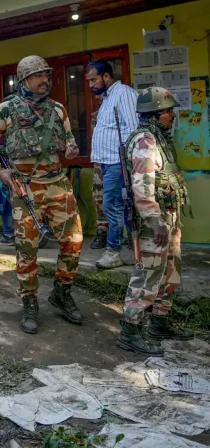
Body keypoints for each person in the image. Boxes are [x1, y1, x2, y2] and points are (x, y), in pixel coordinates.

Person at [0, 55, 83, 334]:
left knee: (73, 240)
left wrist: (71, 149)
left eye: (46, 76)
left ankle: (62, 292)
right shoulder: (5, 110)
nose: (45, 81)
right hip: (25, 187)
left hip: (58, 184)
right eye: (38, 76)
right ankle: (29, 300)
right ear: (24, 80)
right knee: (27, 249)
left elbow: (69, 140)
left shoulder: (58, 110)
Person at [116, 86, 194, 356]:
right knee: (148, 275)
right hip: (154, 223)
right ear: (154, 113)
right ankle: (130, 331)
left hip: (168, 218)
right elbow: (142, 186)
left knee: (170, 272)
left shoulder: (160, 138)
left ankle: (158, 323)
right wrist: (155, 219)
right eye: (168, 111)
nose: (172, 115)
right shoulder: (145, 141)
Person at [86, 60, 139, 269]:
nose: (90, 85)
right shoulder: (107, 98)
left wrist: (129, 162)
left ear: (106, 76)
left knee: (112, 205)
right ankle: (135, 251)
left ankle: (113, 250)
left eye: (93, 79)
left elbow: (134, 130)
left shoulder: (123, 93)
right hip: (107, 161)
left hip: (119, 161)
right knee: (122, 207)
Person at [90, 94, 109, 249]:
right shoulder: (95, 118)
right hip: (100, 162)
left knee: (127, 196)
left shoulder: (124, 114)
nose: (99, 101)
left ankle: (130, 234)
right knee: (99, 197)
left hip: (121, 161)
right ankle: (102, 231)